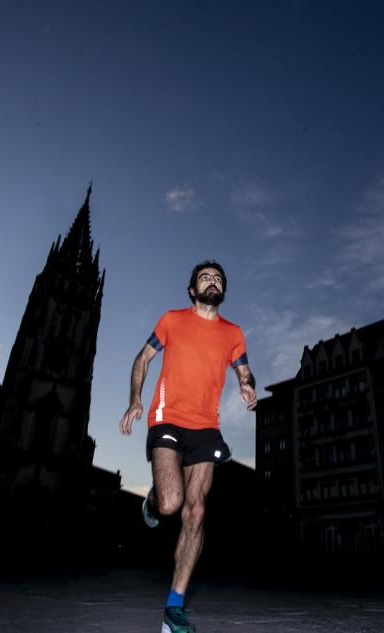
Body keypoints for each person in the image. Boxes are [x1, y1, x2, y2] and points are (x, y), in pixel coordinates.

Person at [119, 260, 257, 633]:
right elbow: (143, 358)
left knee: (195, 513)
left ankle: (174, 607)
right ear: (191, 289)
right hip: (166, 418)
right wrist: (135, 399)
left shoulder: (233, 333)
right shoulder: (172, 320)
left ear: (223, 290)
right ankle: (151, 499)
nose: (212, 282)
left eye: (217, 279)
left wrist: (247, 384)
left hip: (207, 429)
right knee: (171, 503)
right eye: (204, 278)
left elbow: (243, 368)